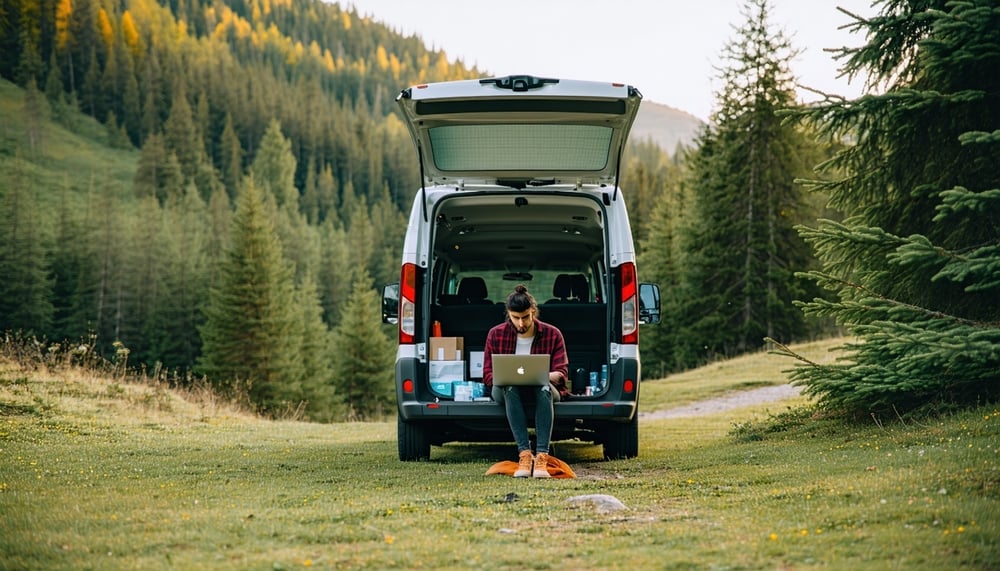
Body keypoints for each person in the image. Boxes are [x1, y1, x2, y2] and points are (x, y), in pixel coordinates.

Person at [483, 284, 569, 478]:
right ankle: (524, 454)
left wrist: (539, 375)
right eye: (515, 318)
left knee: (544, 388)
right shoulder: (495, 334)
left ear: (533, 311)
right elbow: (487, 374)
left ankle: (542, 457)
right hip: (506, 389)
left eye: (525, 317)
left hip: (543, 387)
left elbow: (562, 374)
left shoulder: (553, 333)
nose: (521, 323)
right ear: (508, 314)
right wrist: (506, 376)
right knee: (509, 386)